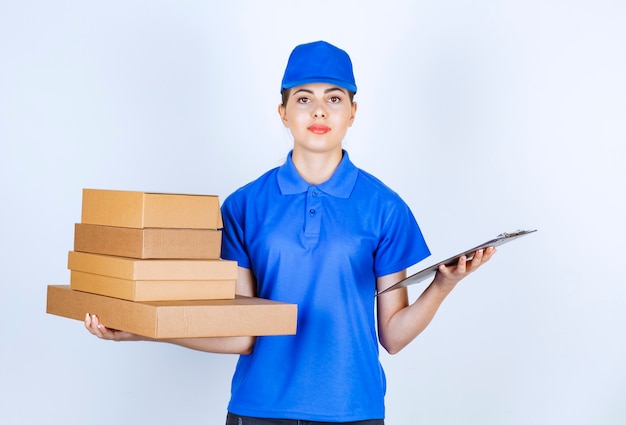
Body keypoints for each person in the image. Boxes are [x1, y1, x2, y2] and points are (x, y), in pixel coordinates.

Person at [85, 40, 496, 424]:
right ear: (283, 112)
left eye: (334, 98)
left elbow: (393, 335)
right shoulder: (245, 206)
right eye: (304, 99)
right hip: (258, 409)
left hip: (352, 411)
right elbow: (241, 334)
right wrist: (140, 331)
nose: (319, 112)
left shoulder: (384, 207)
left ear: (353, 112)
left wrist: (442, 286)